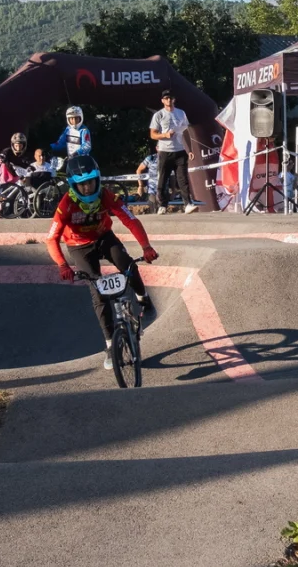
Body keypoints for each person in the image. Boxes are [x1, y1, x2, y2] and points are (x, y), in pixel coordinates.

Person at [45, 154, 159, 371]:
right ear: (73, 185)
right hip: (79, 247)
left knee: (128, 265)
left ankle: (144, 300)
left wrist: (146, 247)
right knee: (97, 293)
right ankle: (109, 345)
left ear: (98, 179)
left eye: (91, 182)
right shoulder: (66, 205)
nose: (88, 188)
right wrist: (62, 264)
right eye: (82, 185)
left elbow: (130, 220)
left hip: (104, 237)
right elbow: (51, 238)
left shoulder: (106, 195)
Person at [148, 89, 197, 215]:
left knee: (183, 179)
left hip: (180, 151)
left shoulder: (181, 113)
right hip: (165, 151)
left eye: (170, 98)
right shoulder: (159, 115)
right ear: (162, 100)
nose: (169, 100)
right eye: (166, 98)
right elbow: (153, 134)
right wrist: (165, 135)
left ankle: (188, 204)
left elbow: (186, 132)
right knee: (163, 179)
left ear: (174, 99)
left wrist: (189, 149)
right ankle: (162, 205)